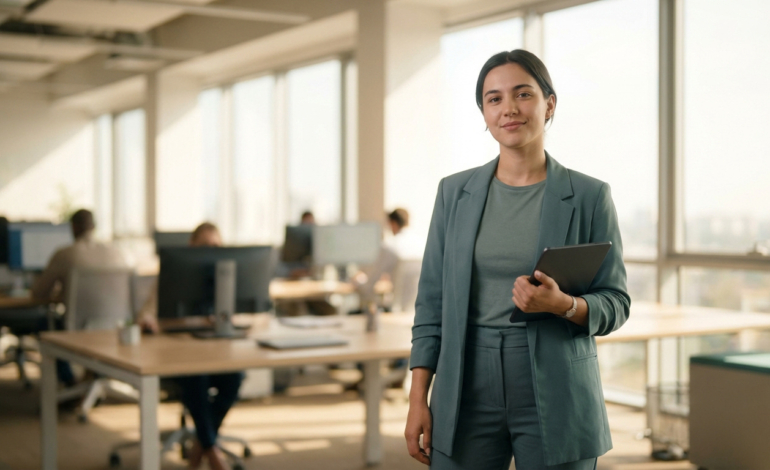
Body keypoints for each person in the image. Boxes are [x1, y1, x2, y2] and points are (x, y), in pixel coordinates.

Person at [404, 50, 630, 469]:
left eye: (522, 94)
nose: (509, 108)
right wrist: (418, 398)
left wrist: (565, 305)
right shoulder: (454, 193)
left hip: (556, 383)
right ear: (484, 113)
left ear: (549, 104)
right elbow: (431, 304)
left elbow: (616, 302)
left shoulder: (589, 196)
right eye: (494, 99)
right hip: (465, 381)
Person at [139, 222, 242, 470]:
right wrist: (154, 322)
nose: (211, 251)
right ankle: (213, 454)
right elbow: (146, 314)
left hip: (215, 352)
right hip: (178, 355)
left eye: (216, 246)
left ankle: (201, 445)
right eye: (205, 245)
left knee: (235, 378)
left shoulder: (223, 277)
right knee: (196, 378)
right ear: (191, 246)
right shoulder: (173, 273)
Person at [32, 209, 128, 386]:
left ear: (73, 228)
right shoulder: (117, 253)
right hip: (115, 328)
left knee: (44, 322)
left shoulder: (65, 253)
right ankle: (92, 377)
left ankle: (70, 381)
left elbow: (38, 293)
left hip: (78, 330)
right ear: (94, 227)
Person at [353, 208, 422, 307]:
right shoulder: (422, 245)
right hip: (418, 312)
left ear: (393, 223)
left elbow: (370, 285)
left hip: (396, 312)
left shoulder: (390, 246)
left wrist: (359, 281)